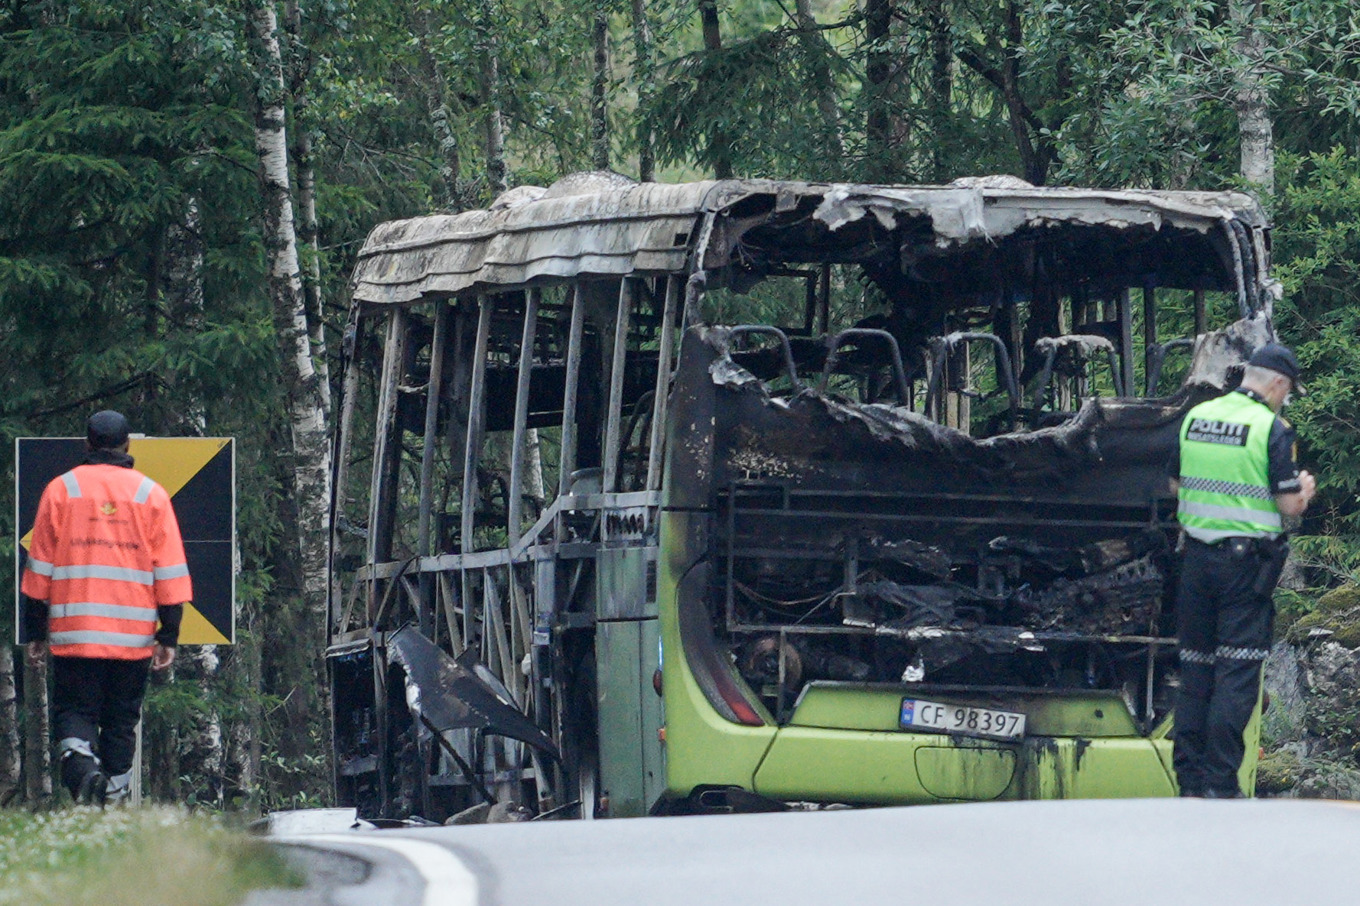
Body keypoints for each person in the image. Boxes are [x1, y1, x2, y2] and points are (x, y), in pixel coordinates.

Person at [21, 411, 191, 805]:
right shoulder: (151, 495)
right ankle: (110, 803)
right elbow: (169, 570)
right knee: (120, 722)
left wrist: (34, 633)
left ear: (87, 444)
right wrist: (169, 634)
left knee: (74, 712)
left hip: (75, 633)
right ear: (127, 445)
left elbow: (39, 568)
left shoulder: (60, 491)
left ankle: (84, 776)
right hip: (132, 639)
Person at [1169, 343, 1316, 798]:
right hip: (1243, 569)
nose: (1283, 400)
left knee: (1195, 671)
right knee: (1236, 673)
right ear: (1277, 384)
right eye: (1286, 392)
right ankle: (1220, 786)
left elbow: (1175, 483)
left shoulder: (1197, 417)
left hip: (1194, 562)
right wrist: (1305, 489)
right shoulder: (1270, 428)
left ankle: (1189, 780)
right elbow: (1288, 503)